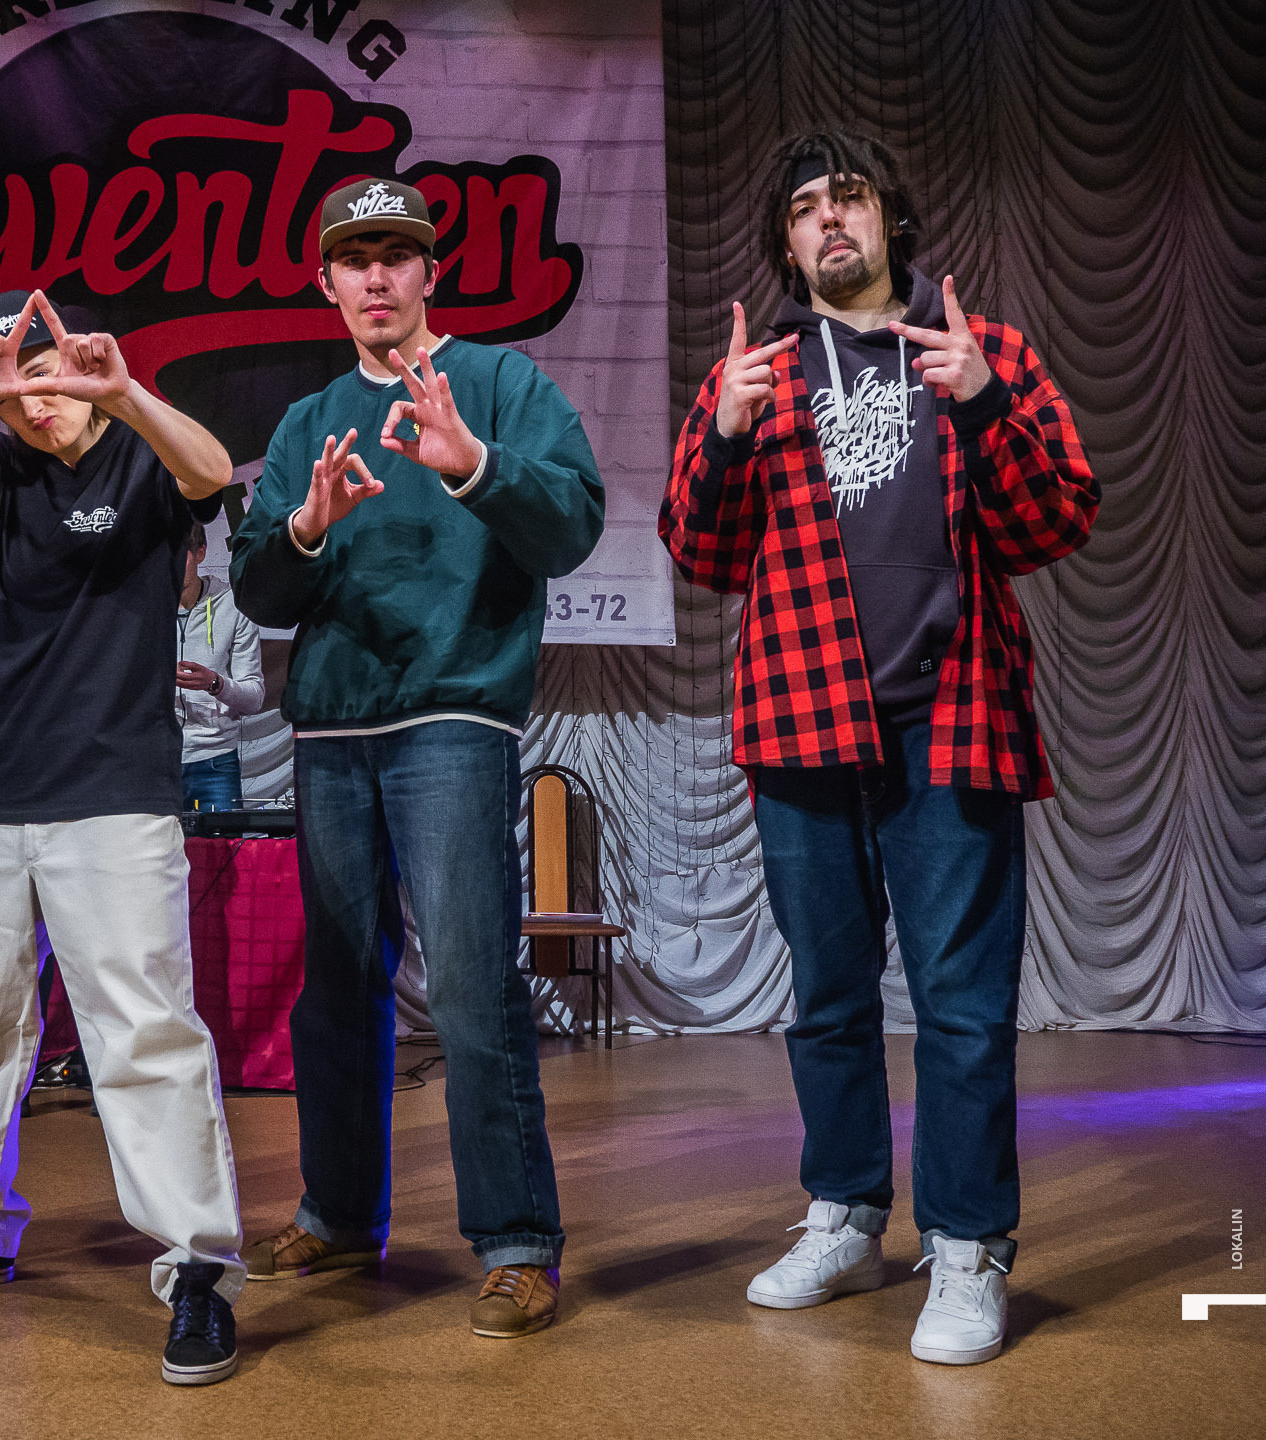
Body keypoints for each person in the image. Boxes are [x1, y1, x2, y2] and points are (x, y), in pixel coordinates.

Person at [660, 129, 1097, 1365]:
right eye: (804, 206)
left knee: (963, 1006)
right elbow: (699, 553)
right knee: (828, 998)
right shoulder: (756, 371)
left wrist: (987, 401)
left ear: (889, 220)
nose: (829, 220)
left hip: (952, 720)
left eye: (848, 198)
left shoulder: (980, 347)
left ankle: (967, 1247)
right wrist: (728, 433)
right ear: (787, 241)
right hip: (804, 719)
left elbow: (1059, 517)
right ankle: (847, 1216)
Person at [229, 178, 605, 1338]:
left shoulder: (499, 384)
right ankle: (340, 1214)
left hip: (452, 717)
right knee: (338, 986)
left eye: (398, 255)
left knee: (472, 981)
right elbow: (257, 586)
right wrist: (305, 528)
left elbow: (574, 524)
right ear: (326, 284)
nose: (378, 277)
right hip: (333, 728)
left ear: (431, 273)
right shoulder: (309, 422)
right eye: (357, 259)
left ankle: (517, 1240)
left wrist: (473, 462)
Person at [0, 289, 246, 1387]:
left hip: (114, 794)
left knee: (143, 1030)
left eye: (43, 371)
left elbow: (213, 473)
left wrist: (124, 392)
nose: (35, 399)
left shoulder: (140, 460)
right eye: (10, 384)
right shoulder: (6, 473)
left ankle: (197, 1264)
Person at [176, 520, 266, 811]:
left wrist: (215, 683)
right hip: (153, 760)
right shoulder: (143, 608)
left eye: (180, 554)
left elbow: (254, 697)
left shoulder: (233, 606)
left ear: (201, 552)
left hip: (214, 761)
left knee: (221, 841)